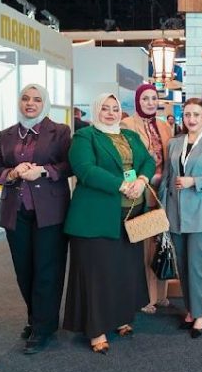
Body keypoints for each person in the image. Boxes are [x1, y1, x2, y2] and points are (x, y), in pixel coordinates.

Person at [62, 93, 154, 353]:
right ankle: (96, 329)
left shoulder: (130, 136)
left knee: (124, 271)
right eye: (105, 108)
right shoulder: (85, 137)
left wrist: (142, 180)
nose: (111, 113)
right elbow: (85, 169)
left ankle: (121, 318)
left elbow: (148, 161)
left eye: (115, 108)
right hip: (95, 217)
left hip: (130, 216)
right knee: (97, 276)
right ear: (96, 110)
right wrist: (121, 184)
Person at [0, 84, 72, 354]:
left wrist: (44, 171)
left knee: (48, 269)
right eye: (25, 98)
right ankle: (35, 318)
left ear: (44, 103)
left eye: (37, 99)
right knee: (24, 269)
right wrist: (12, 173)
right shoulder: (6, 135)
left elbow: (69, 165)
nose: (30, 103)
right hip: (16, 211)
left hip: (50, 211)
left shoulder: (60, 131)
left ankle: (43, 326)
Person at [160, 99, 202, 338]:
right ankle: (191, 309)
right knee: (182, 263)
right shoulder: (174, 142)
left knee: (197, 264)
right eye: (187, 114)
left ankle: (201, 313)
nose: (191, 119)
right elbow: (168, 178)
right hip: (175, 211)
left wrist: (194, 181)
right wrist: (162, 210)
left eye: (196, 115)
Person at [121, 83, 174, 314]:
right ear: (138, 101)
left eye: (154, 98)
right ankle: (144, 298)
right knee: (142, 246)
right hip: (141, 193)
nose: (150, 103)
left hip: (161, 193)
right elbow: (125, 162)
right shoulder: (127, 125)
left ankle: (160, 294)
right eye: (145, 99)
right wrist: (136, 183)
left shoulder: (164, 126)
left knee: (160, 244)